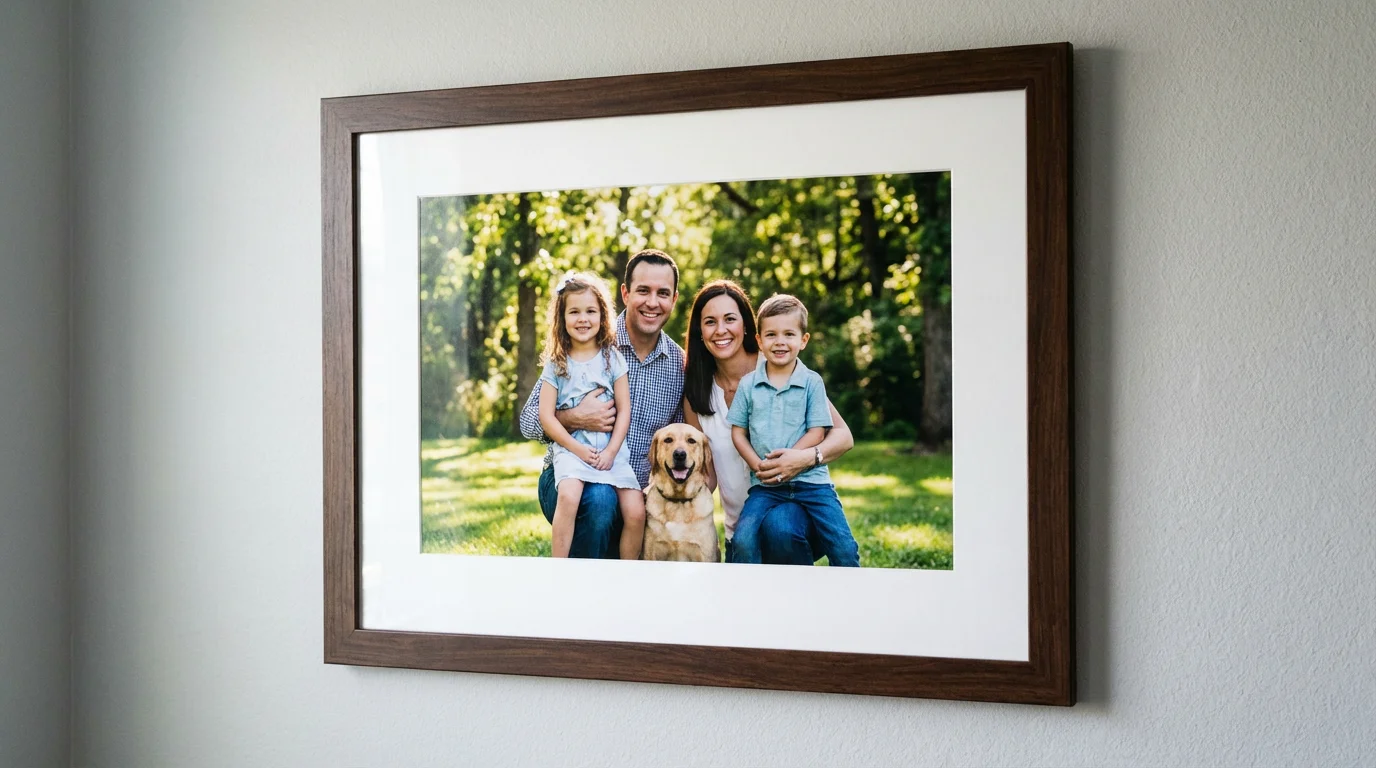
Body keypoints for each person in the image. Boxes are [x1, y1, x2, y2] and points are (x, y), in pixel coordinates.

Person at [518, 250, 685, 558]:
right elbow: (529, 422)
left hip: (627, 480)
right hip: (569, 475)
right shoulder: (582, 343)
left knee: (625, 506)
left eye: (662, 293)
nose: (652, 302)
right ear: (625, 293)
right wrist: (576, 417)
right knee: (601, 501)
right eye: (643, 291)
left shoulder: (677, 364)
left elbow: (676, 446)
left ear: (674, 299)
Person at [681, 281, 855, 565]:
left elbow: (842, 436)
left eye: (730, 319)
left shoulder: (779, 365)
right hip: (744, 521)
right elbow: (707, 475)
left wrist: (801, 458)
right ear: (699, 332)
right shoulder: (697, 393)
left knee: (780, 526)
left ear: (747, 326)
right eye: (710, 322)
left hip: (796, 505)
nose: (720, 330)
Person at [724, 294, 860, 566]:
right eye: (771, 335)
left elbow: (818, 432)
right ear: (760, 341)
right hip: (766, 485)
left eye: (789, 334)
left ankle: (852, 601)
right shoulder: (749, 385)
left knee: (844, 548)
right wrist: (759, 465)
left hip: (813, 484)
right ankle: (744, 595)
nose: (780, 342)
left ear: (804, 340)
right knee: (743, 539)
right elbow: (738, 432)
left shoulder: (812, 382)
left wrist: (790, 460)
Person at [535, 272, 646, 559]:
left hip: (612, 453)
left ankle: (625, 574)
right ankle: (560, 568)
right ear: (562, 318)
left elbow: (624, 411)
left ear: (602, 316)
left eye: (590, 311)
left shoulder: (612, 358)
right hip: (573, 451)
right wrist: (577, 449)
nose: (583, 319)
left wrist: (611, 451)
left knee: (635, 512)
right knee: (569, 497)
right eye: (574, 312)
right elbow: (546, 416)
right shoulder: (557, 364)